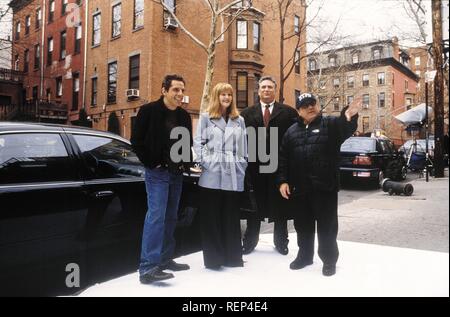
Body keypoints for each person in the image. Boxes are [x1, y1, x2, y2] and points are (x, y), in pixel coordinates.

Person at [277, 93, 360, 276]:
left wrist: (349, 116)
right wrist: (282, 181)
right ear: (299, 110)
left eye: (313, 103)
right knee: (303, 225)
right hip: (300, 189)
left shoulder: (329, 125)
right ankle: (305, 256)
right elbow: (283, 159)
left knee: (327, 227)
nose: (310, 107)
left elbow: (344, 127)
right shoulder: (291, 132)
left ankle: (329, 260)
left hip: (325, 187)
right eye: (305, 105)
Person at [131, 74, 193, 284]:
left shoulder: (184, 116)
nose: (180, 94)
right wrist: (151, 162)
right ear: (164, 90)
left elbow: (186, 143)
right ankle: (148, 268)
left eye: (182, 90)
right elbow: (136, 141)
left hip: (176, 174)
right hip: (157, 173)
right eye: (176, 90)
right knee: (156, 217)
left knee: (171, 216)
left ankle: (165, 259)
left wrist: (187, 164)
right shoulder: (148, 111)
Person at [240, 76, 299, 255]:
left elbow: (293, 139)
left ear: (275, 90)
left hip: (278, 167)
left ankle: (281, 242)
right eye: (263, 87)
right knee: (254, 205)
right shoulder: (246, 114)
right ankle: (250, 241)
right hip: (254, 167)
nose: (266, 90)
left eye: (270, 87)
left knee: (280, 205)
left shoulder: (288, 113)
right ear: (258, 91)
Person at [194, 83, 248, 269]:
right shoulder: (206, 118)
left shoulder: (239, 120)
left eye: (229, 95)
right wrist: (210, 164)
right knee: (212, 219)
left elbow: (243, 148)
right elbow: (198, 145)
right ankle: (214, 260)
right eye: (223, 94)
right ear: (216, 97)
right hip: (211, 175)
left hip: (233, 174)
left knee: (231, 217)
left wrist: (240, 165)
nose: (226, 98)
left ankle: (232, 258)